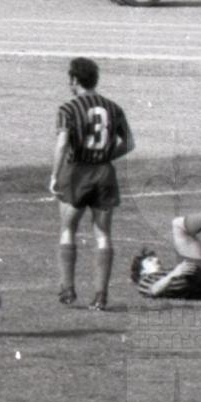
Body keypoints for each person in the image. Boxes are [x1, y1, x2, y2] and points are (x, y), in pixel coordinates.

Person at [51, 56, 133, 309]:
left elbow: (62, 144)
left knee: (68, 229)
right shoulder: (114, 108)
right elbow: (129, 144)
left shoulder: (68, 109)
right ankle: (100, 296)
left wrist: (54, 175)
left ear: (75, 80)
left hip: (76, 172)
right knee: (103, 233)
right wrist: (106, 155)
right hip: (104, 173)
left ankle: (67, 289)